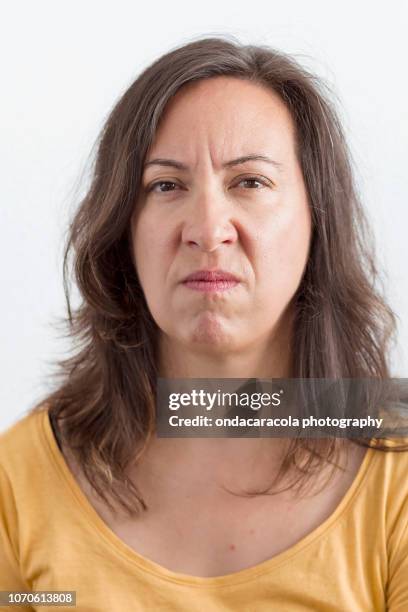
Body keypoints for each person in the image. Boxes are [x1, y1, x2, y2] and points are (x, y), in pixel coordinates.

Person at [1, 35, 407, 611]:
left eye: (250, 182)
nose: (208, 227)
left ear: (319, 219)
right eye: (165, 185)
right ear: (123, 231)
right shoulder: (18, 477)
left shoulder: (399, 468)